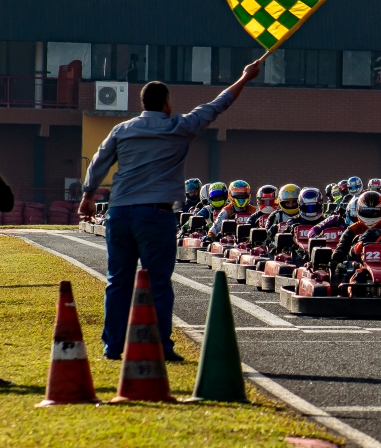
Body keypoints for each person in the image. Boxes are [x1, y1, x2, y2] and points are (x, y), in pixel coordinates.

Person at [78, 56, 262, 361]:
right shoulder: (179, 126)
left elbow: (99, 162)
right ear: (166, 102)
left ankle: (113, 346)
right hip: (156, 213)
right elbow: (218, 105)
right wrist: (244, 77)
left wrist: (87, 195)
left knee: (118, 281)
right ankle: (160, 346)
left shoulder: (122, 129)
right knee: (158, 283)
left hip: (120, 212)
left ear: (142, 103)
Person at [331, 190, 381, 267]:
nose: (370, 216)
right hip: (357, 268)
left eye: (374, 212)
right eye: (366, 212)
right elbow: (341, 249)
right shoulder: (353, 229)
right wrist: (336, 262)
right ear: (358, 209)